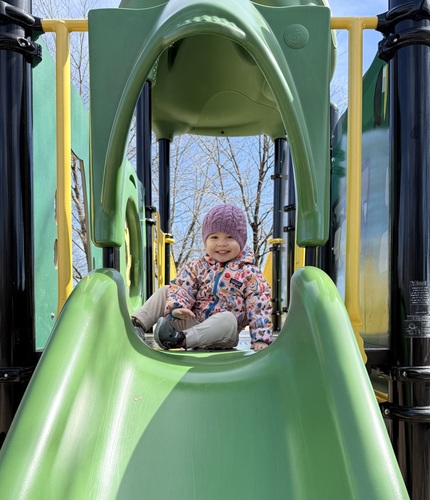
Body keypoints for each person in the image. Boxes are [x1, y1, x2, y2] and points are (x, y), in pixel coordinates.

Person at [131, 203, 273, 351]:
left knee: (228, 319)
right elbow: (181, 289)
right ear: (206, 240)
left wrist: (260, 339)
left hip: (221, 333)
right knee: (166, 291)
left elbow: (259, 307)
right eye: (214, 237)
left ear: (241, 241)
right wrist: (177, 307)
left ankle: (180, 340)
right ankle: (137, 325)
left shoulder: (249, 273)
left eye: (230, 237)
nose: (221, 243)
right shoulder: (197, 267)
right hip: (191, 323)